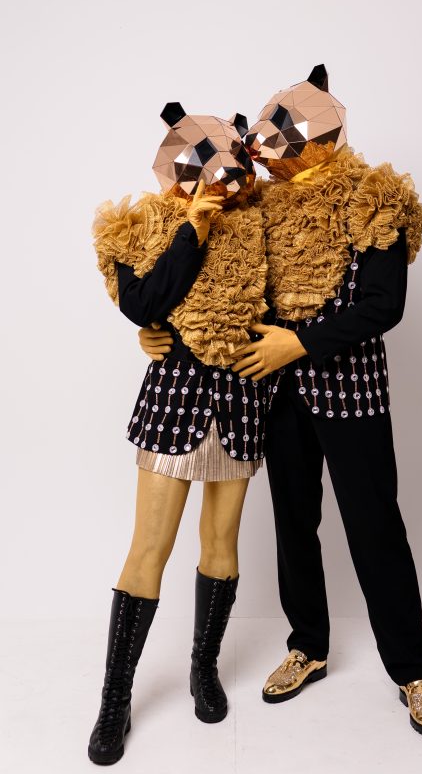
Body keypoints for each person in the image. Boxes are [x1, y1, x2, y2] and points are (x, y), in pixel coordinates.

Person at [140, 67, 422, 738]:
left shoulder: (375, 196)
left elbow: (383, 305)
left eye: (282, 130)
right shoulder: (257, 205)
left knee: (374, 526)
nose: (261, 142)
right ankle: (307, 645)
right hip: (273, 396)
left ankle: (412, 670)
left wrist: (299, 344)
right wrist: (154, 328)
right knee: (293, 525)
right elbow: (213, 283)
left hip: (351, 392)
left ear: (323, 133)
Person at [88, 103, 269, 765]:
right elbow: (144, 303)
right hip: (175, 396)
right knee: (149, 549)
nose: (217, 177)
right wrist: (193, 227)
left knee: (220, 544)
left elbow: (281, 302)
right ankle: (115, 699)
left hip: (242, 395)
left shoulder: (260, 224)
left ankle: (203, 666)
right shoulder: (142, 225)